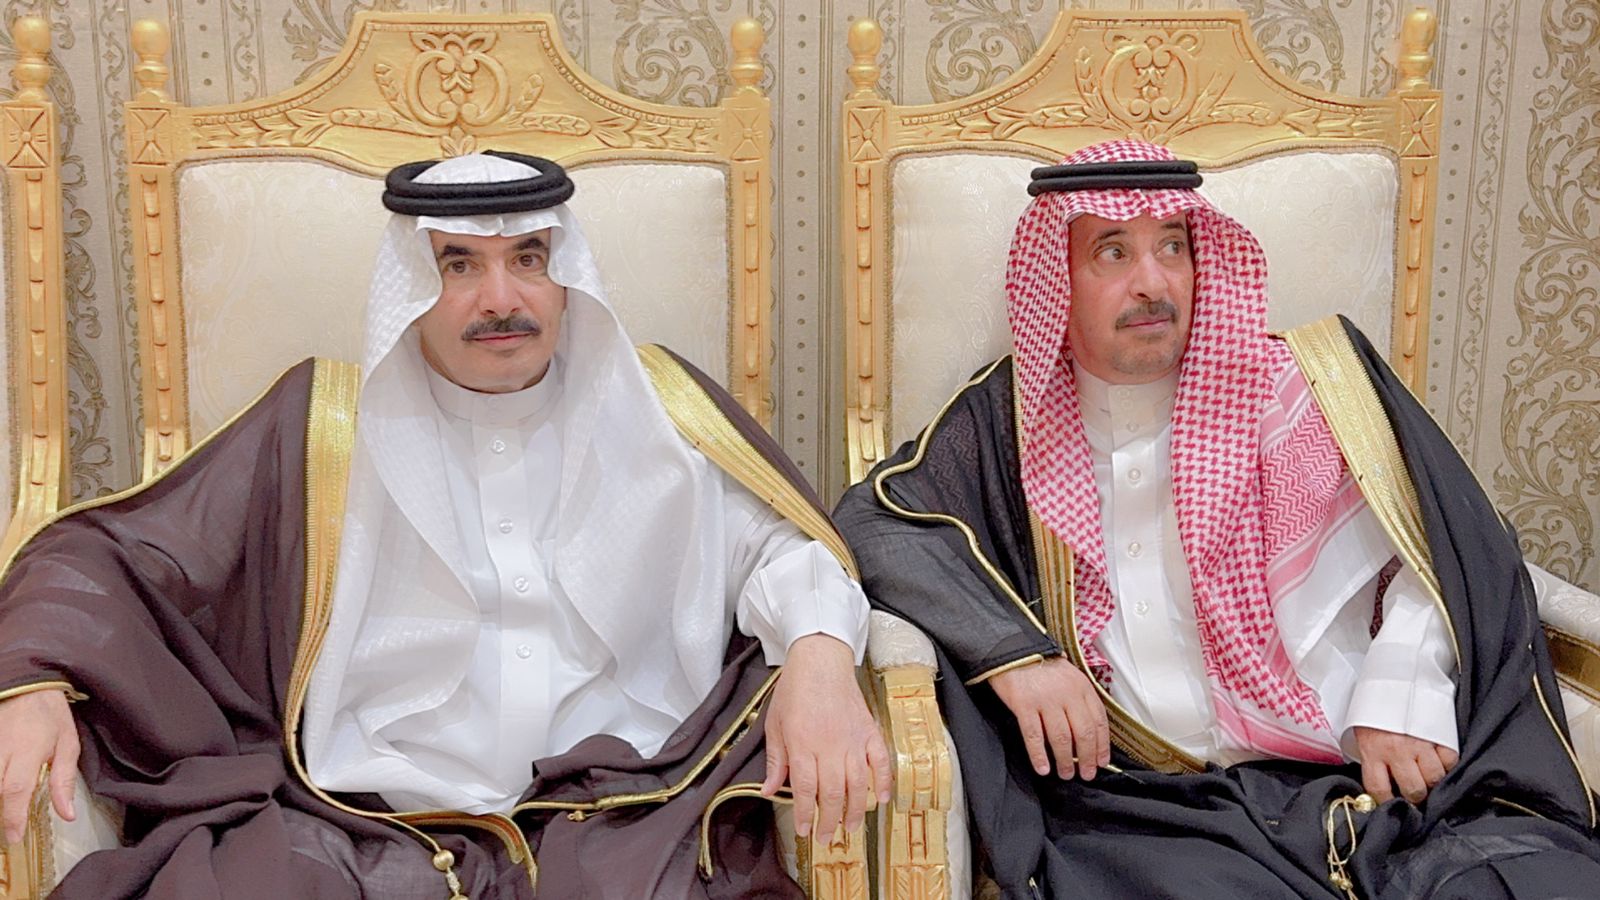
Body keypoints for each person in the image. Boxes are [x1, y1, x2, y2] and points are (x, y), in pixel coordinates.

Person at [0, 151, 888, 898]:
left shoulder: (657, 410)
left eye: (529, 258)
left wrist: (819, 656)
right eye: (459, 266)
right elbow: (113, 553)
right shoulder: (323, 430)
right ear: (412, 287)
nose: (500, 298)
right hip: (365, 826)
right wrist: (34, 676)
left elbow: (783, 548)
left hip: (628, 810)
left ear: (565, 274)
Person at [834, 139, 1600, 898]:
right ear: (1056, 279)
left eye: (1173, 246)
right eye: (1112, 253)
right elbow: (877, 524)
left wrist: (1403, 683)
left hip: (1365, 783)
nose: (1153, 283)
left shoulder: (1310, 389)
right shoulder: (1010, 421)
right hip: (1151, 812)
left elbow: (1458, 539)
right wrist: (1018, 657)